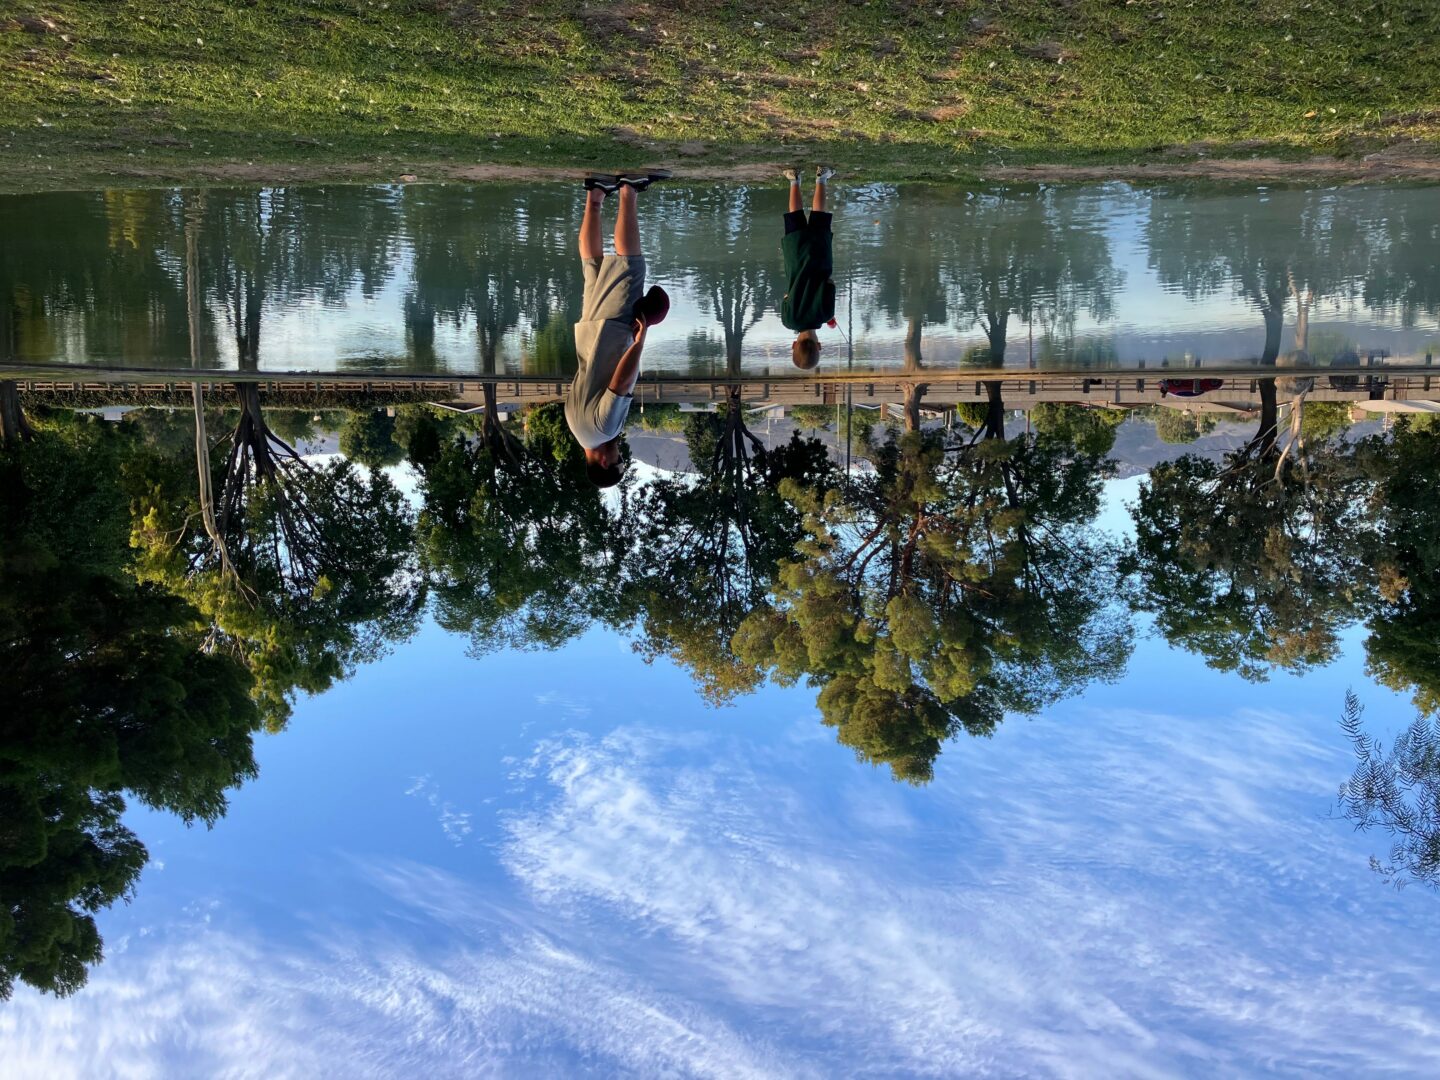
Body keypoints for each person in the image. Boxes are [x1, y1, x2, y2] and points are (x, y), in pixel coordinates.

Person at [566, 172, 670, 487]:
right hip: (588, 334)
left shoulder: (604, 431)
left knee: (630, 265)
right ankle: (596, 194)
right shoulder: (576, 427)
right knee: (592, 266)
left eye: (617, 461)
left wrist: (639, 342)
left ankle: (628, 189)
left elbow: (619, 384)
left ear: (603, 462)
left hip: (612, 332)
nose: (619, 454)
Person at [780, 167, 838, 370]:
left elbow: (830, 284)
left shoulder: (825, 314)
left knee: (819, 215)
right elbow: (787, 296)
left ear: (819, 346)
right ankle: (793, 179)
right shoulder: (788, 321)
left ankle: (821, 177)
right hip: (794, 256)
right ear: (793, 345)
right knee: (795, 216)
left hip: (820, 256)